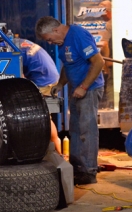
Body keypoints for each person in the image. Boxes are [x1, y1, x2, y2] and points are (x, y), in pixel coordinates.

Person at [35, 16, 105, 185]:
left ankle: (89, 171)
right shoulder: (62, 42)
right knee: (75, 129)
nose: (50, 43)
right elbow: (68, 65)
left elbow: (98, 62)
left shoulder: (79, 35)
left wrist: (84, 87)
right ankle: (77, 168)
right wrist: (60, 85)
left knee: (87, 130)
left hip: (89, 88)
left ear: (56, 30)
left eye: (49, 39)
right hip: (77, 89)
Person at [16, 38, 62, 155]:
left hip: (44, 82)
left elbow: (18, 75)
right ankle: (57, 152)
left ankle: (57, 153)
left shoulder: (11, 48)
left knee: (42, 117)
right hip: (51, 78)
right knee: (44, 116)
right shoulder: (20, 42)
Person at [98, 0, 114, 108]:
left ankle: (111, 106)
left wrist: (107, 63)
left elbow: (103, 44)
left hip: (112, 63)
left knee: (110, 86)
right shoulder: (118, 23)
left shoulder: (107, 25)